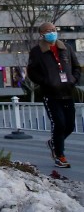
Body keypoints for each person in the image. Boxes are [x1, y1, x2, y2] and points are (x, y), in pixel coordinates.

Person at [27, 22, 81, 169]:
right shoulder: (37, 52)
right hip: (50, 94)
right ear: (42, 34)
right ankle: (59, 155)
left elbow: (76, 67)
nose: (52, 32)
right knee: (59, 123)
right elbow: (31, 72)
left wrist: (73, 79)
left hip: (67, 92)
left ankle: (54, 143)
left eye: (53, 30)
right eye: (48, 31)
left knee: (69, 125)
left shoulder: (66, 48)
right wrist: (45, 81)